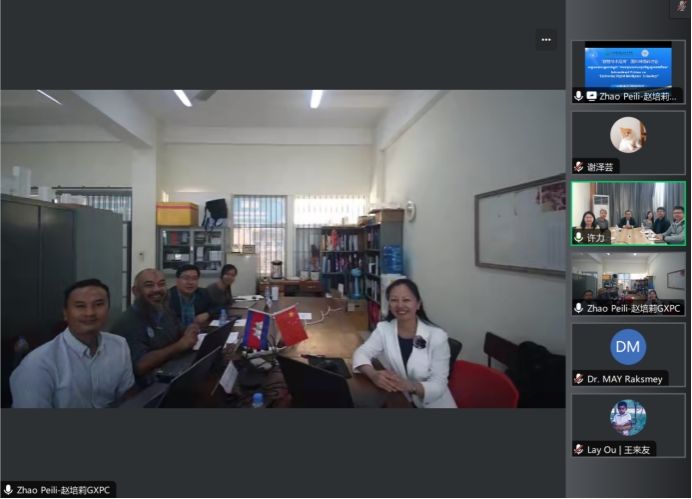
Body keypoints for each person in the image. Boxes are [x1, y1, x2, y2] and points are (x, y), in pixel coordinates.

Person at [10, 279, 135, 408]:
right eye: (80, 306)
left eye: (98, 304)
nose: (90, 313)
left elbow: (126, 396)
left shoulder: (119, 345)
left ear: (108, 309)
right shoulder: (37, 365)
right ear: (65, 313)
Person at [352, 279, 456, 408]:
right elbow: (361, 353)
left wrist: (410, 386)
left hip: (434, 405)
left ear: (418, 304)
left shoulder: (437, 336)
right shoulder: (384, 329)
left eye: (406, 300)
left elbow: (439, 386)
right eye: (394, 300)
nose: (400, 305)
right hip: (401, 399)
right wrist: (373, 375)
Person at [112, 269, 200, 384]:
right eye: (149, 285)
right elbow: (140, 366)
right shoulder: (128, 322)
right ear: (136, 291)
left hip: (172, 374)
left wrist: (190, 330)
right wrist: (179, 346)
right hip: (146, 387)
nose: (157, 289)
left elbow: (180, 331)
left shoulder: (165, 311)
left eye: (161, 284)